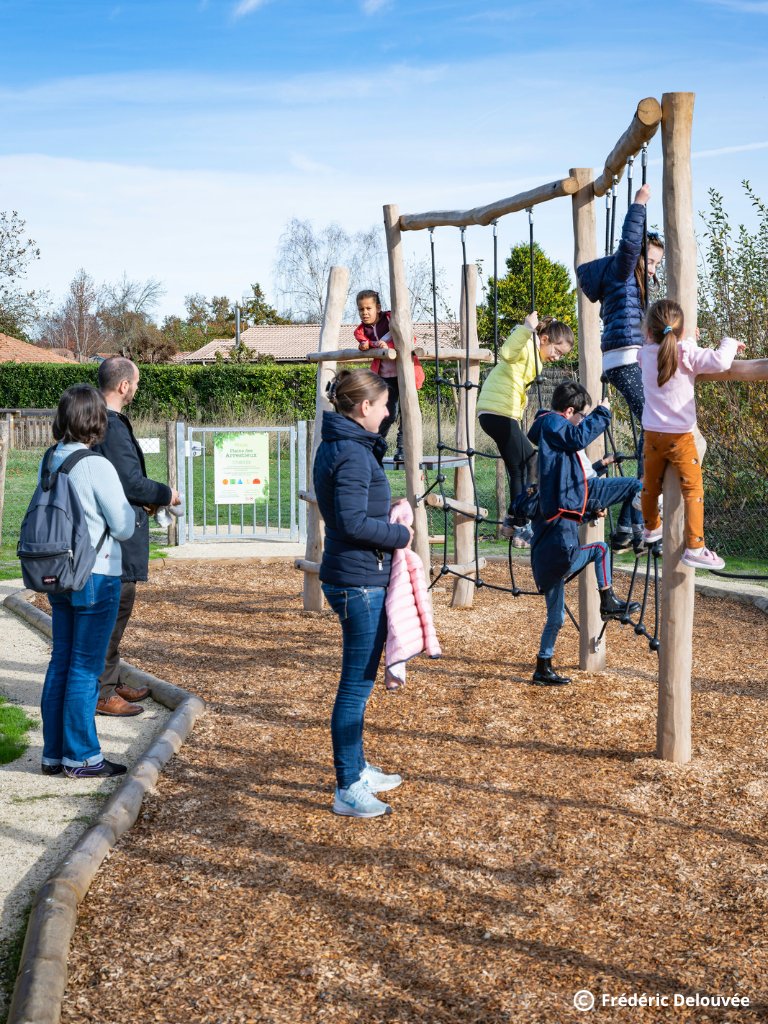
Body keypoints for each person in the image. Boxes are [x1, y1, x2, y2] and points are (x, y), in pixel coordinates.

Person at [313, 368, 413, 817]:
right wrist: (399, 535)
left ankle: (357, 768)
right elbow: (351, 522)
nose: (388, 413)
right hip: (358, 581)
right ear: (364, 407)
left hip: (353, 574)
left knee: (361, 683)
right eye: (384, 405)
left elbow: (348, 511)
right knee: (354, 689)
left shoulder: (341, 444)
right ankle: (347, 787)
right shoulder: (352, 454)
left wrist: (386, 510)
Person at [40, 385, 136, 778]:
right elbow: (124, 526)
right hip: (96, 573)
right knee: (84, 667)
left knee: (61, 662)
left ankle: (54, 753)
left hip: (60, 573)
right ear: (96, 420)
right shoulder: (96, 465)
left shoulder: (51, 459)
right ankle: (82, 757)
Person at [527, 382, 639, 686]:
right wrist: (603, 413)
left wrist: (588, 511)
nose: (580, 422)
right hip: (558, 555)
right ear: (569, 411)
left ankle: (542, 666)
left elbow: (569, 496)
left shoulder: (552, 463)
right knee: (601, 548)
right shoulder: (554, 423)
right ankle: (609, 596)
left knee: (556, 618)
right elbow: (578, 438)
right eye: (581, 416)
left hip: (550, 560)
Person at [93, 357, 181, 717]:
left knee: (115, 613)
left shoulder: (97, 419)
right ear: (124, 385)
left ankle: (111, 681)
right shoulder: (110, 425)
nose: (137, 389)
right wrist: (166, 494)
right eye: (137, 383)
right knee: (113, 613)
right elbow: (129, 482)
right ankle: (101, 693)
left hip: (112, 533)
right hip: (116, 539)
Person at [637, 299, 744, 570]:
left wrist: (686, 342)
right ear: (682, 331)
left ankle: (651, 527)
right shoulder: (687, 353)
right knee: (693, 490)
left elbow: (665, 349)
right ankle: (695, 546)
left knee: (650, 485)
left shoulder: (644, 354)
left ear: (648, 331)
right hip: (681, 438)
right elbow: (720, 361)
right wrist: (730, 341)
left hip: (652, 435)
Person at [576, 184, 665, 488]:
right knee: (653, 418)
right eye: (650, 261)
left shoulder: (634, 285)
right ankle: (645, 489)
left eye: (657, 265)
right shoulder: (623, 269)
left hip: (627, 359)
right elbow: (629, 243)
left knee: (653, 417)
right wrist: (639, 204)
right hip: (623, 359)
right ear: (636, 256)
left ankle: (642, 492)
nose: (652, 269)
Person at [477, 310, 574, 547]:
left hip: (498, 413)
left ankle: (513, 521)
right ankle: (521, 522)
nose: (557, 358)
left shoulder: (536, 358)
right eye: (557, 351)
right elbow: (507, 353)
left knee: (518, 467)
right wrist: (526, 328)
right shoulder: (528, 344)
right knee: (532, 461)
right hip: (498, 412)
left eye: (562, 355)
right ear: (544, 339)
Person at [354, 289, 425, 462]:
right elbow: (364, 341)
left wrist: (390, 346)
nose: (365, 313)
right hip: (385, 377)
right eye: (361, 309)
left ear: (378, 308)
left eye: (368, 308)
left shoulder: (391, 319)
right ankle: (376, 446)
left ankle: (403, 448)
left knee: (408, 411)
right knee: (387, 413)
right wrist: (366, 345)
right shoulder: (362, 330)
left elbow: (409, 339)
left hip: (405, 373)